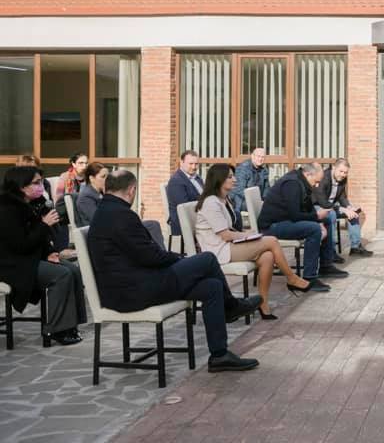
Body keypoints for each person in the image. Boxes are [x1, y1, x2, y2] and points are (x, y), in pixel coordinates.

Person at [87, 170, 262, 372]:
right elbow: (150, 257)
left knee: (212, 287)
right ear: (132, 190)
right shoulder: (121, 215)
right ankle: (231, 307)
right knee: (207, 259)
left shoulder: (105, 211)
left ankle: (219, 355)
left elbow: (144, 255)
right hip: (135, 291)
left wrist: (176, 260)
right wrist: (179, 258)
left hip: (130, 286)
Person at [195, 164, 313, 319]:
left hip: (228, 245)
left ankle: (263, 303)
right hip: (218, 250)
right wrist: (246, 236)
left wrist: (247, 234)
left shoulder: (223, 199)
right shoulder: (211, 202)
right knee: (271, 241)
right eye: (230, 177)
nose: (234, 179)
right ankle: (291, 278)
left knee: (267, 257)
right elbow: (225, 235)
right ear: (219, 180)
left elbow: (229, 229)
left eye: (233, 176)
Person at [0, 166, 87, 346]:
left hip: (31, 257)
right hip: (12, 263)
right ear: (21, 186)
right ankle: (56, 329)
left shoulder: (34, 204)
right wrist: (44, 225)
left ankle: (71, 325)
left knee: (73, 269)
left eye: (41, 181)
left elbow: (40, 239)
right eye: (36, 183)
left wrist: (49, 253)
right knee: (61, 274)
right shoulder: (7, 209)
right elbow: (20, 245)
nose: (41, 186)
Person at [257, 163, 344, 291]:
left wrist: (319, 220)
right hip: (271, 226)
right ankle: (309, 278)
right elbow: (295, 215)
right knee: (313, 229)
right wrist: (316, 218)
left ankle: (325, 266)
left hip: (284, 220)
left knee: (326, 219)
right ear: (308, 174)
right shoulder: (292, 184)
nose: (317, 185)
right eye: (316, 182)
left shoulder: (302, 181)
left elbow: (307, 207)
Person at [313, 158, 373, 257]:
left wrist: (349, 207)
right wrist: (342, 209)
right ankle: (330, 251)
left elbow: (342, 197)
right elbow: (322, 202)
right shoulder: (323, 177)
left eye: (345, 172)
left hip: (332, 207)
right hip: (317, 207)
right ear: (334, 168)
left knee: (354, 214)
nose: (343, 174)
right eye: (341, 171)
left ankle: (355, 247)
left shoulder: (342, 179)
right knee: (331, 214)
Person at [167, 150, 214, 238]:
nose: (194, 167)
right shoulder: (176, 181)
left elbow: (204, 195)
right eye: (191, 164)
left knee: (231, 215)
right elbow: (185, 207)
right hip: (185, 221)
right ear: (181, 162)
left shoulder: (197, 178)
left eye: (196, 164)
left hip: (199, 215)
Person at [229, 147, 270, 213]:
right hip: (240, 201)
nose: (260, 159)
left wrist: (267, 200)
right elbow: (239, 190)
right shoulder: (243, 168)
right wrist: (256, 200)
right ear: (252, 156)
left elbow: (266, 189)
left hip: (256, 200)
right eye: (258, 156)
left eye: (262, 157)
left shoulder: (264, 170)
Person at [76, 162, 108, 227]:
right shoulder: (86, 196)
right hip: (96, 231)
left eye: (108, 177)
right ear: (92, 178)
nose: (107, 180)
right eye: (103, 177)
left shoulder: (101, 192)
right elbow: (99, 220)